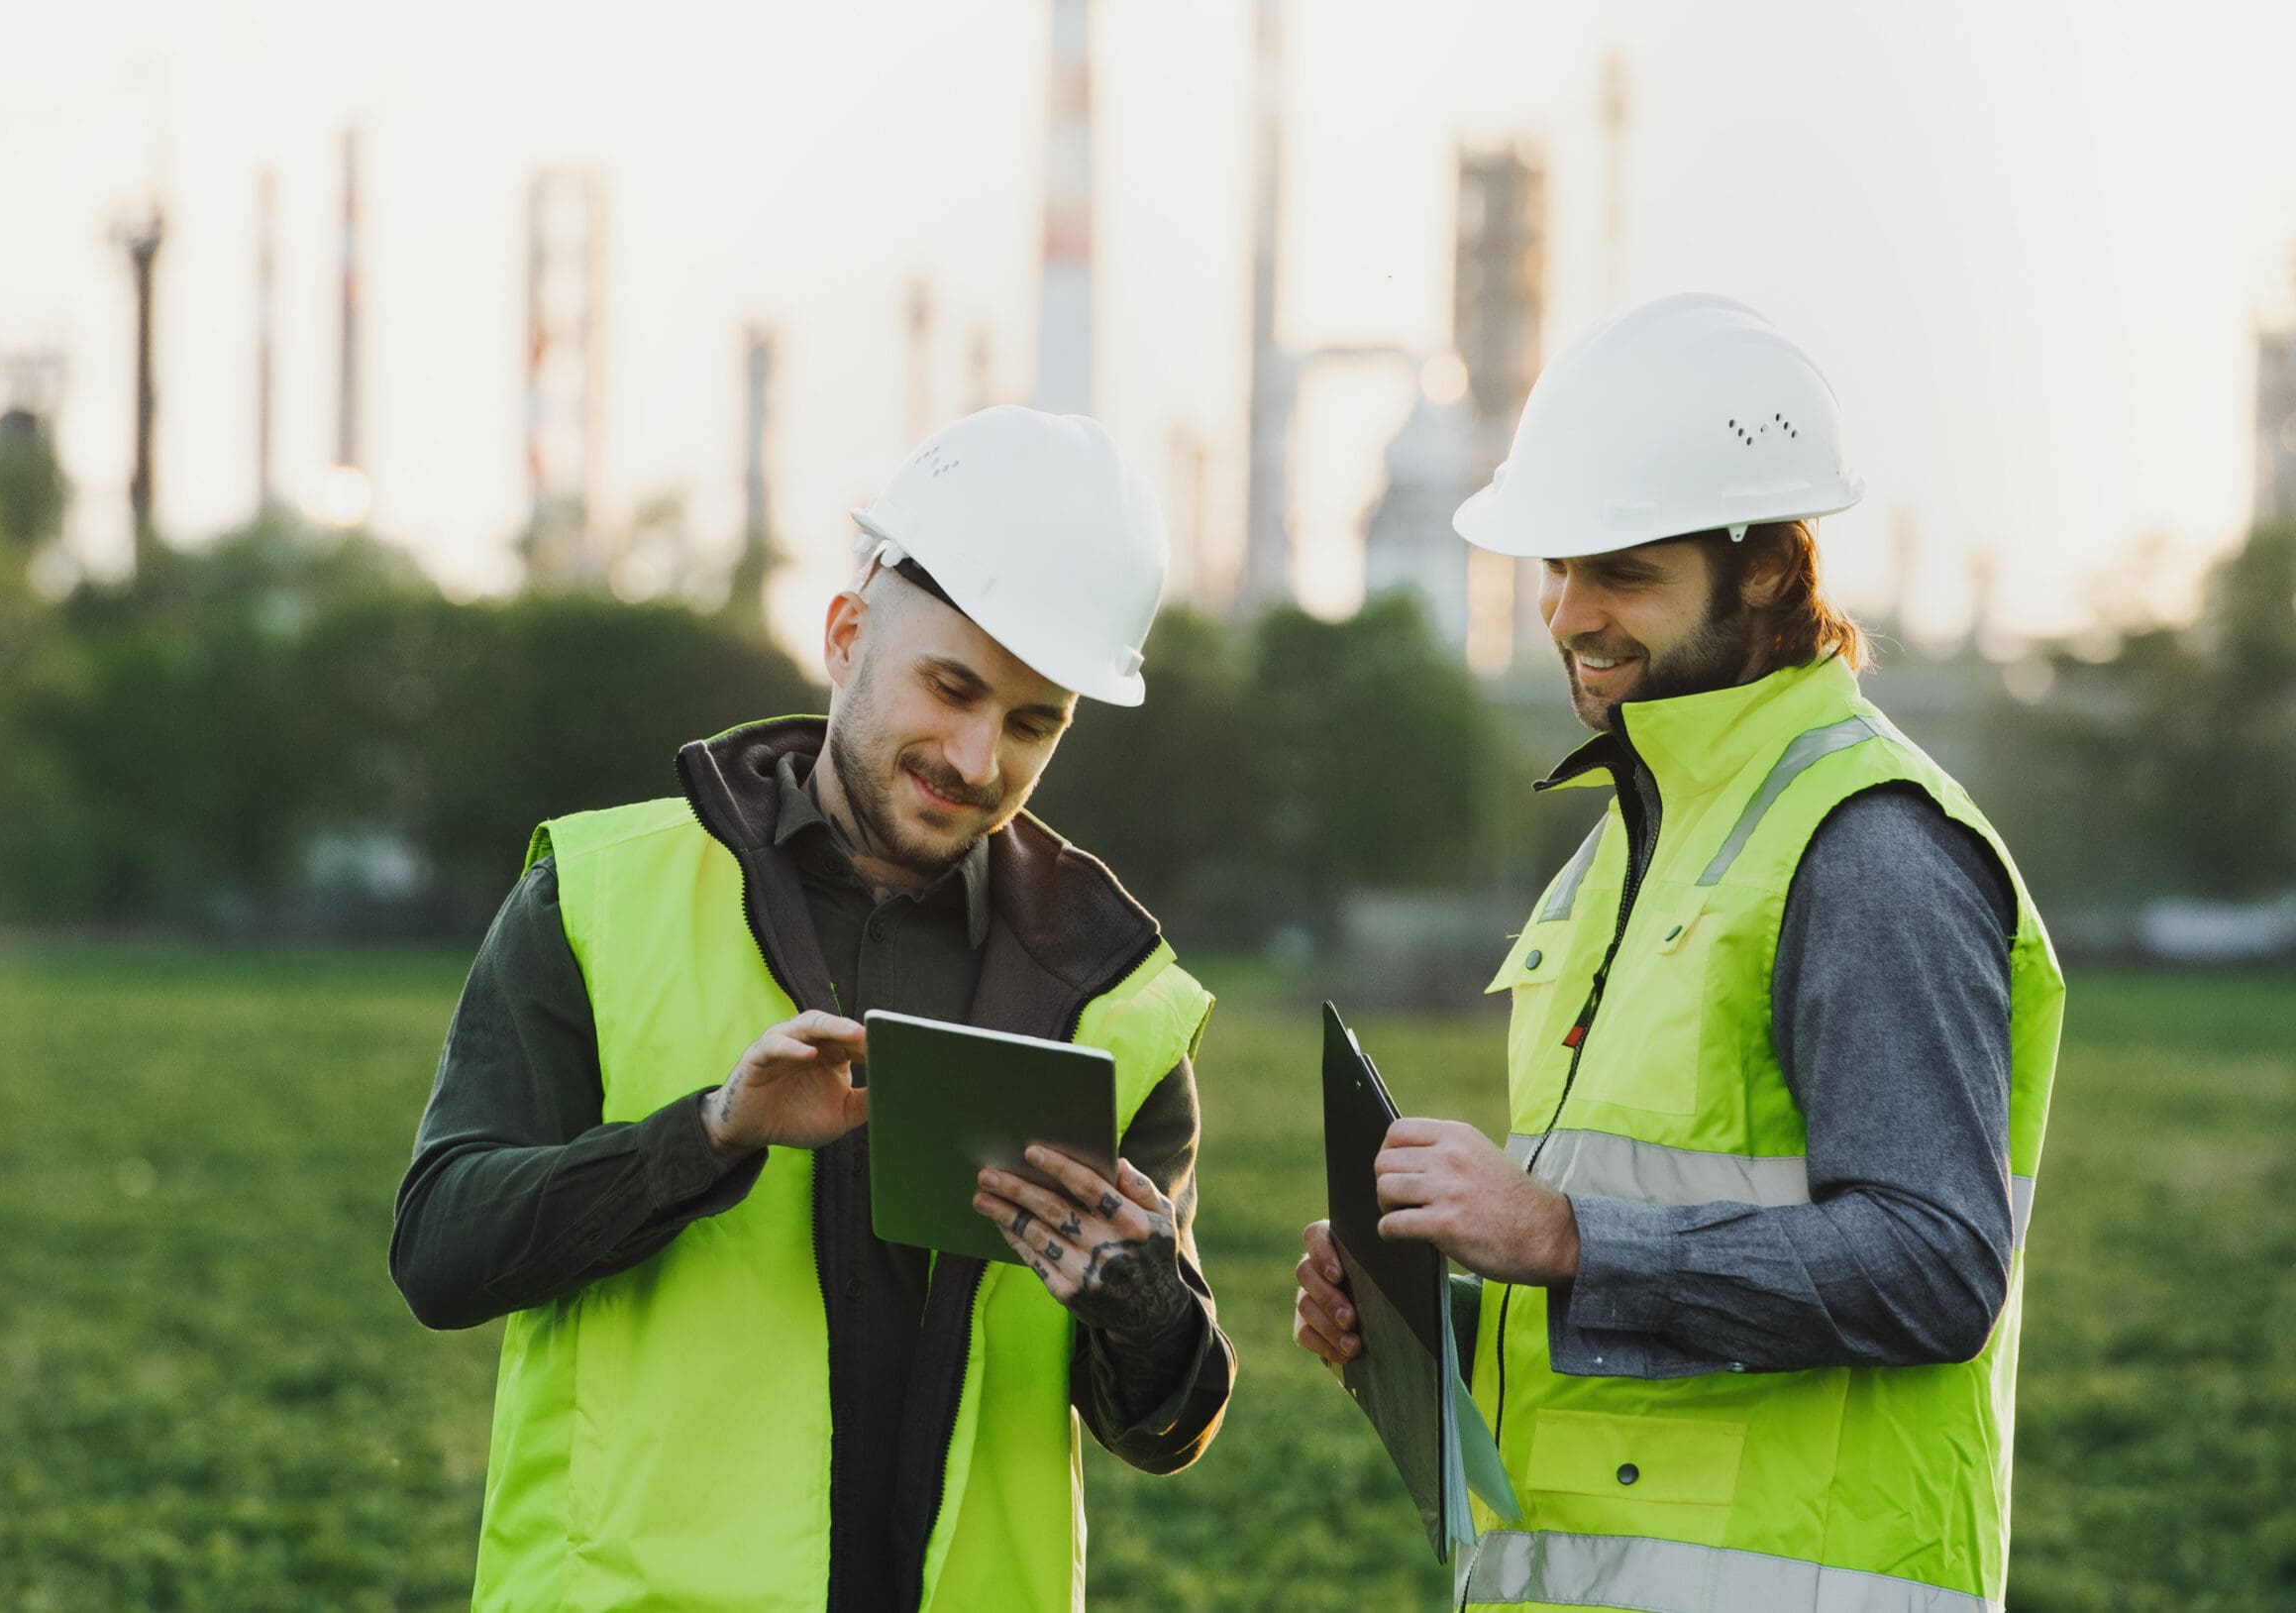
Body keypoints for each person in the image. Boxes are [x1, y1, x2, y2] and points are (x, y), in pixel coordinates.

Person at [1294, 294, 2063, 1613]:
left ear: (1767, 565)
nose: (1570, 615)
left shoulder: (1867, 847)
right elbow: (1641, 1275)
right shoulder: (1633, 845)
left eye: (1623, 573)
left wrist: (1554, 1234)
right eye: (1557, 570)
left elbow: (1936, 1269)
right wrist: (1434, 1324)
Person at [392, 407, 1232, 1613]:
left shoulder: (1114, 997)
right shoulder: (594, 895)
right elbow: (440, 1253)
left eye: (1034, 721)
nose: (977, 754)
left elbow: (1162, 1425)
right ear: (844, 635)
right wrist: (708, 1135)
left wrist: (1144, 1307)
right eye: (950, 686)